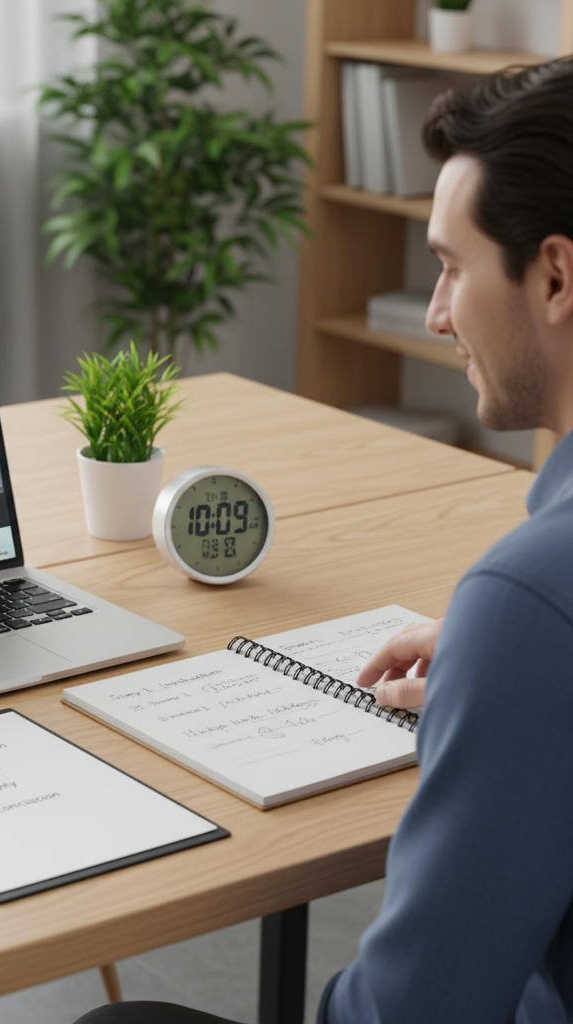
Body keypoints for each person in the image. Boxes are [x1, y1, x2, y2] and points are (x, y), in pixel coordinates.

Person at [72, 56, 573, 1024]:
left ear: (554, 274)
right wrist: (506, 681)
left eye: (448, 265)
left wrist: (517, 655)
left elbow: (411, 1014)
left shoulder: (532, 601)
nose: (436, 316)